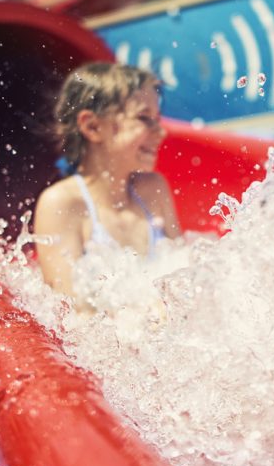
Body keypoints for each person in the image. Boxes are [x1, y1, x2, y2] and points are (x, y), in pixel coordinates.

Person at [33, 62, 182, 304]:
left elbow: (186, 279)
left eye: (157, 118)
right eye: (145, 118)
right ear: (92, 127)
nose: (161, 132)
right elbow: (71, 314)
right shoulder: (62, 204)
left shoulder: (154, 189)